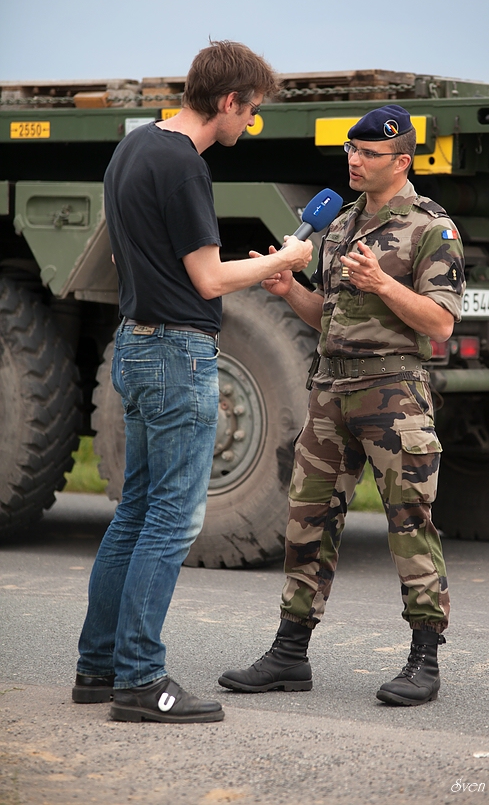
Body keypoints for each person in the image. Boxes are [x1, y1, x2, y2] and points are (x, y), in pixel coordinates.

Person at [72, 40, 313, 724]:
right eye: (252, 111)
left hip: (137, 344)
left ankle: (98, 667)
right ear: (228, 101)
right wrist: (290, 257)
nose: (251, 124)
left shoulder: (134, 148)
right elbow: (208, 279)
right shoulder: (184, 166)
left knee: (135, 512)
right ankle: (141, 680)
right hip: (178, 353)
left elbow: (126, 251)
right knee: (172, 521)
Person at [218, 104, 465, 706]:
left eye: (368, 154)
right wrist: (289, 291)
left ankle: (424, 660)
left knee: (410, 522)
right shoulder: (339, 223)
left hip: (393, 394)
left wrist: (384, 283)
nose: (354, 161)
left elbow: (441, 324)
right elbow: (325, 315)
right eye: (350, 152)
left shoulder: (433, 229)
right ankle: (288, 654)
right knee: (307, 522)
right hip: (330, 392)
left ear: (401, 161)